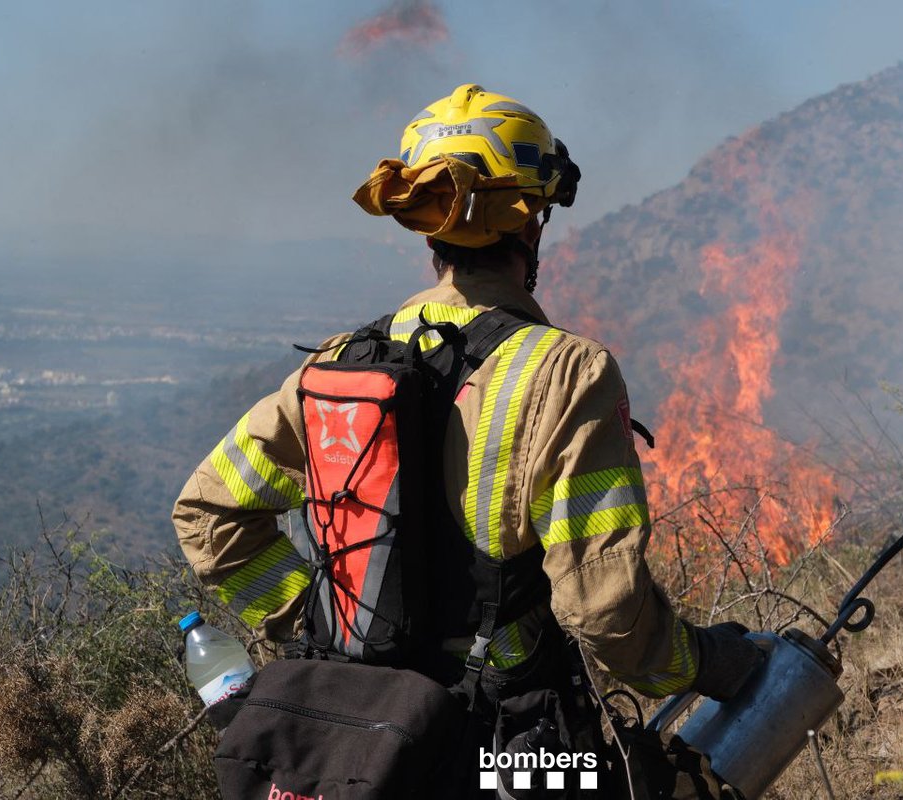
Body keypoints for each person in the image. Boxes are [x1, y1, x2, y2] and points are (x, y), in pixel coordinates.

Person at [172, 83, 762, 795]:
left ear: (429, 230)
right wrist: (709, 663)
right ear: (532, 222)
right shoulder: (567, 373)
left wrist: (325, 621)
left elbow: (208, 514)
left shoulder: (337, 365)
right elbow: (604, 611)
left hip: (353, 739)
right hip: (503, 756)